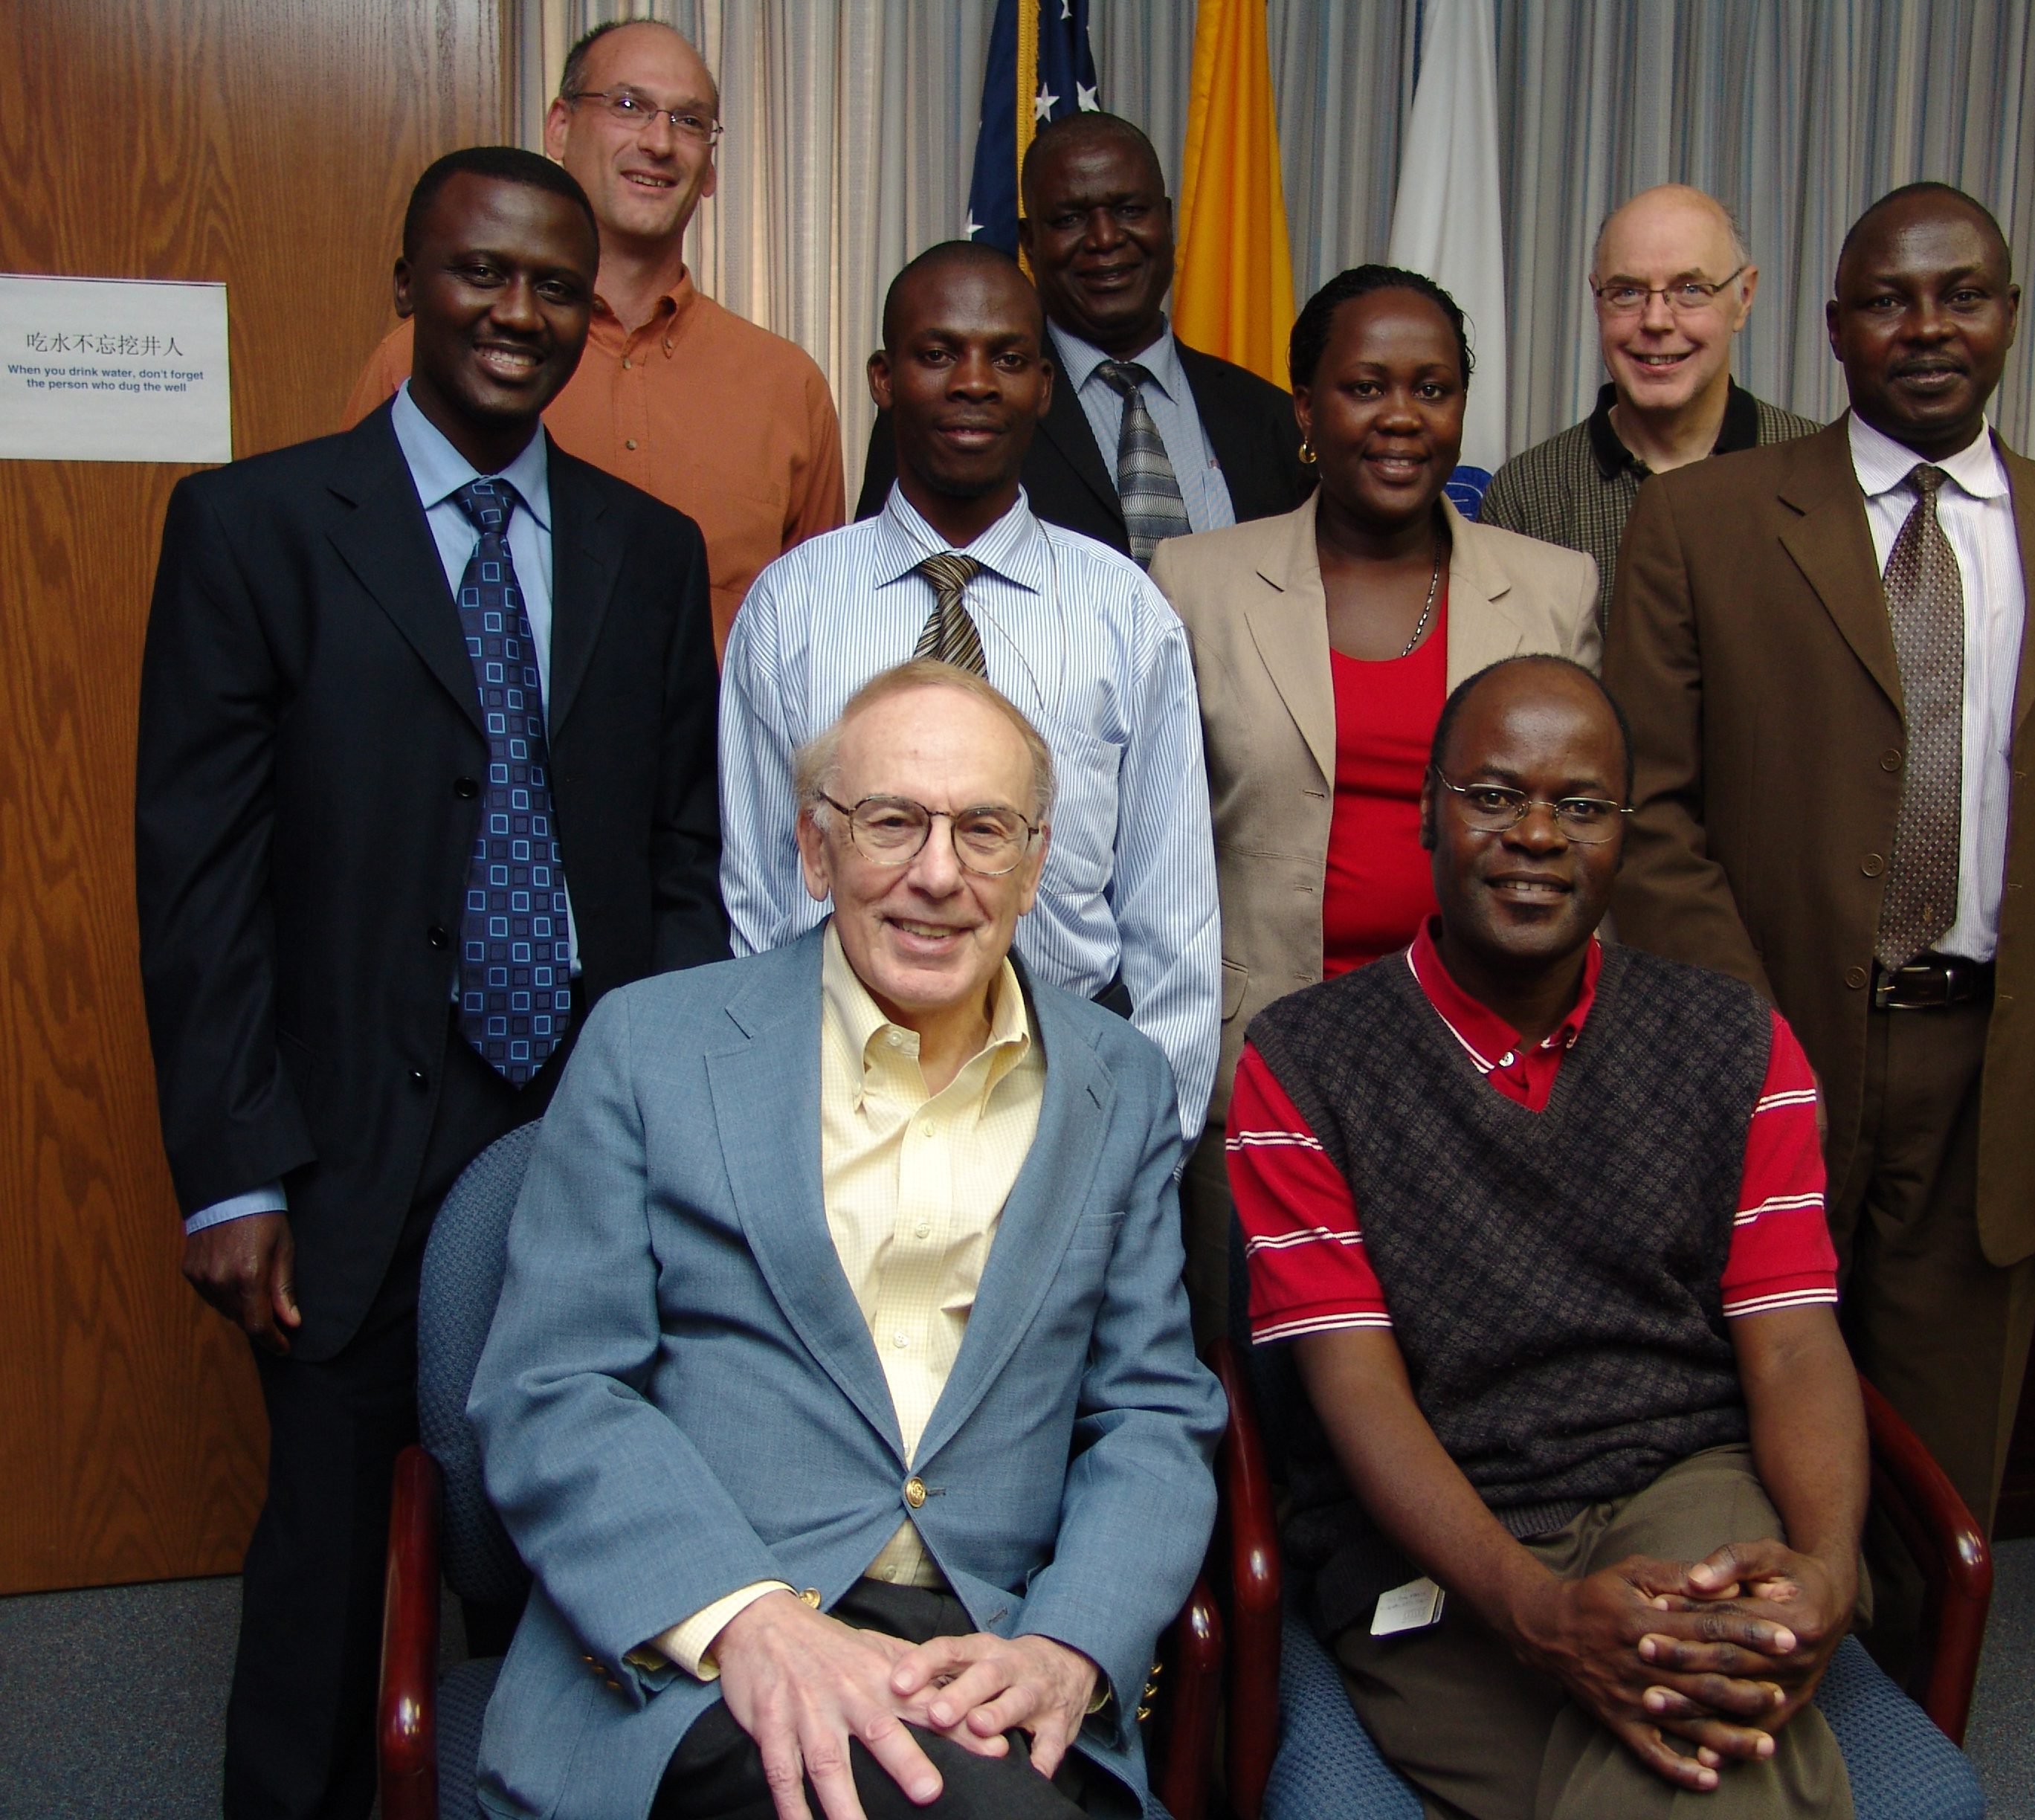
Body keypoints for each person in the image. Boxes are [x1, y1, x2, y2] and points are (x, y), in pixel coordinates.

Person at [138, 146, 727, 1820]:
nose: (516, 311)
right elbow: (199, 880)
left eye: (554, 286)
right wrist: (233, 1171)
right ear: (407, 284)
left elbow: (680, 859)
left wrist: (676, 1124)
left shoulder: (646, 549)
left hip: (585, 1131)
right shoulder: (254, 527)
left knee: (583, 1556)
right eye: (480, 272)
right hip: (341, 1145)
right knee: (332, 1568)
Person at [1605, 182, 2035, 1663]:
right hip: (1762, 1052)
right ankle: (1742, 1713)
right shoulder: (1699, 523)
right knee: (1728, 1422)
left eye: (1960, 295)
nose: (1925, 327)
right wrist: (1753, 1048)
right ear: (1830, 328)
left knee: (1937, 1466)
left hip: (1996, 1077)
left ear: (2007, 317)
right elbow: (1649, 814)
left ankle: (1905, 1734)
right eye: (1887, 300)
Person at [468, 661, 1223, 1820]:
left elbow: (1152, 1414)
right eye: (891, 823)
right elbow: (552, 1389)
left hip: (990, 1656)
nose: (938, 874)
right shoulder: (649, 1049)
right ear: (816, 850)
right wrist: (750, 1619)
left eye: (983, 830)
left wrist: (1069, 1644)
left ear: (1035, 865)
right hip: (704, 1653)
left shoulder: (1117, 1084)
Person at [1228, 656, 1863, 1819]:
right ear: (1428, 813)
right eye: (1493, 795)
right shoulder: (1301, 1062)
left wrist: (1827, 1568)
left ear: (1624, 834)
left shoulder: (1737, 1041)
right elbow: (1355, 1389)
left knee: (1692, 1720)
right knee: (1710, 1760)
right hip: (1436, 1545)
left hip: (1688, 1487)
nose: (1536, 834)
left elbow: (1793, 1343)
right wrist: (1539, 1615)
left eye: (1581, 805)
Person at [1151, 265, 1597, 1345]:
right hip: (1261, 1067)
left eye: (1432, 388)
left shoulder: (1554, 588)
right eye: (1366, 387)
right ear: (1306, 411)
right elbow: (1151, 851)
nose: (1402, 416)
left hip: (1491, 1070)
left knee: (1472, 1368)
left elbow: (1587, 850)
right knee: (1260, 1383)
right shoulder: (1195, 581)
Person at [722, 239, 1220, 1150]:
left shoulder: (1124, 611)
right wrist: (778, 1119)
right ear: (883, 378)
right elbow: (760, 900)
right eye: (938, 352)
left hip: (1065, 1098)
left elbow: (1173, 922)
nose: (975, 382)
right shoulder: (791, 606)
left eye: (1009, 358)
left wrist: (1147, 1146)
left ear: (1044, 387)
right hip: (832, 1099)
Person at [344, 19, 847, 650]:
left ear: (710, 167)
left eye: (689, 121)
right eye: (629, 105)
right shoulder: (427, 358)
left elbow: (817, 641)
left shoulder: (787, 387)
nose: (659, 142)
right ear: (559, 126)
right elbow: (349, 581)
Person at [855, 112, 1312, 563]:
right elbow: (885, 574)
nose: (1105, 239)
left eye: (1130, 211)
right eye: (1070, 218)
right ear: (1029, 242)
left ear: (1168, 221)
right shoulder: (951, 408)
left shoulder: (1269, 418)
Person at [1481, 184, 1818, 627]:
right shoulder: (1526, 495)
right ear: (1597, 299)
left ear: (1744, 297)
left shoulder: (1823, 470)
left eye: (1691, 289)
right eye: (1627, 292)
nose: (1656, 321)